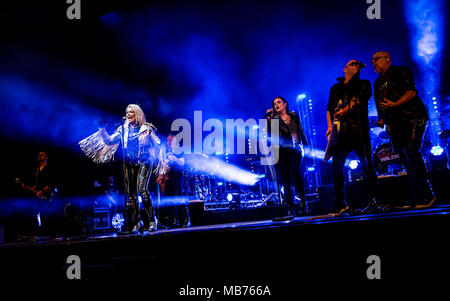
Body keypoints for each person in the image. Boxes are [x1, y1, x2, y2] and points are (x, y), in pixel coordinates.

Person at [80, 104, 161, 232]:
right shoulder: (123, 129)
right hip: (129, 162)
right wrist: (102, 130)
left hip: (145, 161)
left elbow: (158, 143)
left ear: (137, 114)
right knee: (131, 195)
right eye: (127, 112)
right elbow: (110, 141)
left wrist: (159, 158)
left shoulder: (146, 128)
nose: (128, 114)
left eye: (131, 112)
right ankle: (136, 222)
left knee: (142, 190)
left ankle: (152, 220)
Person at [372, 51, 435, 208]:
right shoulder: (378, 82)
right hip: (396, 122)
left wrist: (395, 104)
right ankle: (416, 197)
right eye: (372, 60)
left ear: (387, 59)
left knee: (411, 151)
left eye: (376, 59)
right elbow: (380, 103)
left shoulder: (400, 71)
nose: (374, 62)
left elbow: (411, 92)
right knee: (403, 156)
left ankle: (427, 195)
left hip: (413, 116)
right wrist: (382, 120)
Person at [326, 60, 378, 215]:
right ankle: (340, 204)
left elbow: (359, 100)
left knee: (368, 165)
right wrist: (330, 127)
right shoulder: (335, 88)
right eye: (353, 64)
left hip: (359, 131)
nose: (356, 66)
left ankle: (374, 200)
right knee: (336, 168)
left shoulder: (364, 84)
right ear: (345, 68)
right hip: (341, 134)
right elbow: (329, 108)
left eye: (358, 65)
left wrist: (344, 111)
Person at [266, 96, 308, 217]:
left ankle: (303, 203)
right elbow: (270, 136)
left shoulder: (294, 115)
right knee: (285, 179)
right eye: (274, 104)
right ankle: (289, 207)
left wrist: (305, 143)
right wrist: (269, 120)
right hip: (282, 150)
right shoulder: (274, 119)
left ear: (285, 104)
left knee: (296, 173)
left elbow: (300, 129)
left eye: (278, 102)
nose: (276, 105)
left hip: (295, 149)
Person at [157, 135, 191, 227]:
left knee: (178, 199)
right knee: (170, 201)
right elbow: (163, 166)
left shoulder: (179, 151)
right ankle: (174, 221)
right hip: (167, 179)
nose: (168, 142)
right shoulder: (166, 152)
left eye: (170, 141)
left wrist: (175, 159)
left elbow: (182, 162)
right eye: (168, 141)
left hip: (177, 179)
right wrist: (162, 174)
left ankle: (186, 220)